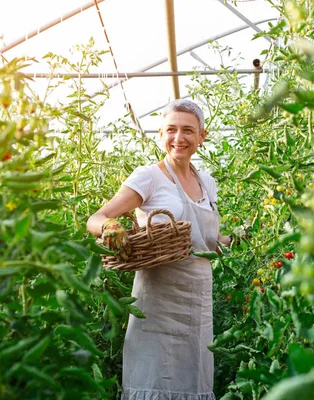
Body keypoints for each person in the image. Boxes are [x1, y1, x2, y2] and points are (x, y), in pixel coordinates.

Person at [87, 99, 231, 400]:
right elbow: (97, 218)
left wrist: (234, 239)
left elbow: (208, 239)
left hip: (198, 302)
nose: (179, 138)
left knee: (195, 380)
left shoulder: (207, 182)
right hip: (158, 303)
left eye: (188, 131)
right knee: (154, 378)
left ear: (201, 137)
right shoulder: (148, 177)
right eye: (171, 129)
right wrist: (111, 228)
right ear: (161, 134)